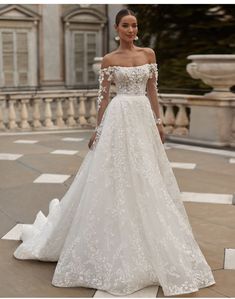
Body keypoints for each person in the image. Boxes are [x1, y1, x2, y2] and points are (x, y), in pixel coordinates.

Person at [13, 8, 216, 297]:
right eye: (126, 25)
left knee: (147, 176)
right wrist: (98, 128)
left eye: (134, 25)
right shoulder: (109, 60)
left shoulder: (149, 54)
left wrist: (159, 122)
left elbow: (152, 92)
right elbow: (104, 97)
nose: (131, 30)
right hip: (119, 118)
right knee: (115, 176)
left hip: (142, 118)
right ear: (117, 29)